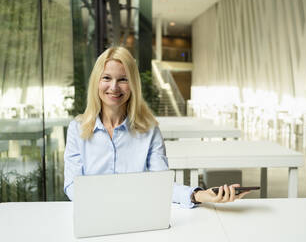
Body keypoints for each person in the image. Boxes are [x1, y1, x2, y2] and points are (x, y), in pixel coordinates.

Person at [64, 46, 249, 208]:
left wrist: (200, 195)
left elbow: (162, 185)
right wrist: (107, 205)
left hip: (139, 217)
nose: (114, 87)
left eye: (123, 79)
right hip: (94, 217)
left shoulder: (149, 131)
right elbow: (72, 186)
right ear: (96, 81)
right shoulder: (77, 129)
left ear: (133, 85)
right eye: (106, 78)